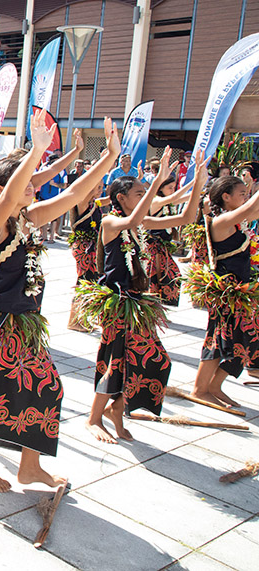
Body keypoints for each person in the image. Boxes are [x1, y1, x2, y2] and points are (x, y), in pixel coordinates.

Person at [0, 112, 121, 492]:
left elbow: (74, 195)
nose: (31, 187)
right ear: (0, 190)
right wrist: (37, 151)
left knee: (46, 387)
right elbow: (11, 193)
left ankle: (29, 466)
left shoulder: (29, 219)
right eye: (24, 182)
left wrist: (110, 156)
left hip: (22, 319)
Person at [76, 149, 206, 444]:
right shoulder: (111, 222)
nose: (144, 197)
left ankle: (116, 411)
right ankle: (94, 418)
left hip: (137, 302)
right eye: (139, 193)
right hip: (118, 302)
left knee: (153, 361)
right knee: (114, 361)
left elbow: (187, 216)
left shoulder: (139, 224)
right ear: (121, 198)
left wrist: (198, 180)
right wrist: (158, 178)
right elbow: (134, 219)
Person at [186, 173, 259, 408]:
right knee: (217, 339)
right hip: (226, 293)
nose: (245, 195)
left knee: (239, 341)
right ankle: (200, 388)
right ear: (226, 197)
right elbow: (250, 208)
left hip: (239, 291)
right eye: (241, 193)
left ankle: (215, 386)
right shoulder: (221, 222)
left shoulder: (235, 221)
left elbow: (252, 209)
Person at [146, 175, 194, 306]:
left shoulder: (168, 203)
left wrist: (198, 191)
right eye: (170, 187)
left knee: (170, 275)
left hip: (163, 246)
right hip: (153, 246)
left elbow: (182, 198)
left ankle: (161, 306)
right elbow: (175, 198)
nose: (173, 190)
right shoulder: (156, 200)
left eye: (174, 187)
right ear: (160, 188)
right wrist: (194, 182)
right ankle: (154, 306)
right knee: (156, 276)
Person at [66, 181, 104, 332]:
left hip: (92, 247)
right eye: (98, 187)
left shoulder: (94, 203)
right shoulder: (82, 203)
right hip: (84, 248)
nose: (101, 190)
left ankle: (82, 319)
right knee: (84, 281)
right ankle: (74, 321)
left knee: (90, 281)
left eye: (102, 187)